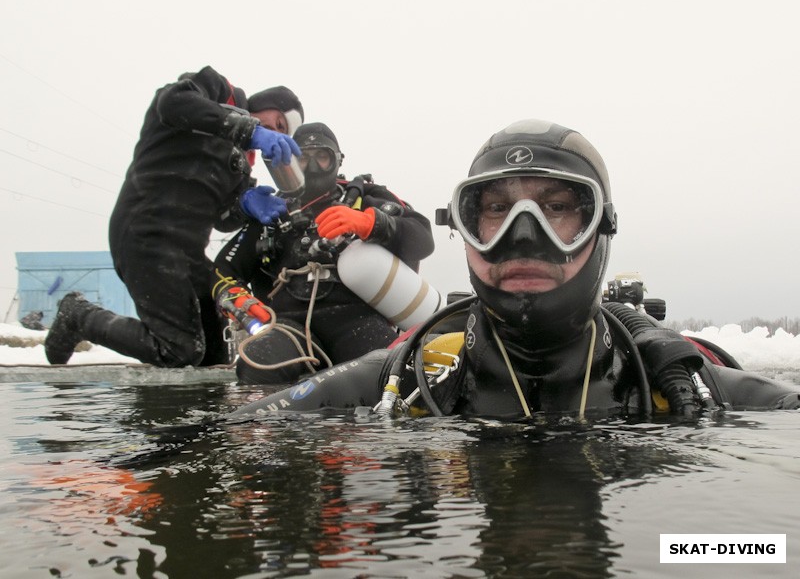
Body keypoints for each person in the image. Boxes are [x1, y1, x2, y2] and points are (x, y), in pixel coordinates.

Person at [229, 118, 800, 419]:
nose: (523, 240)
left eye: (557, 209)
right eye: (496, 211)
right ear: (467, 228)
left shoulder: (670, 380)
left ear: (602, 225)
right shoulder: (408, 376)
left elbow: (757, 548)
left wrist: (713, 550)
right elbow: (241, 432)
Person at [45, 66, 304, 368]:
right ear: (268, 105)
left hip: (187, 249)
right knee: (179, 350)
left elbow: (223, 219)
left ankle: (205, 408)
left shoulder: (241, 161)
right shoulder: (216, 91)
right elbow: (171, 103)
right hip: (146, 231)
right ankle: (78, 315)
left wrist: (245, 204)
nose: (274, 131)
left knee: (211, 353)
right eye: (278, 123)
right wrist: (248, 129)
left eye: (282, 132)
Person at [212, 121, 436, 383]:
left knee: (390, 372)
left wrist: (370, 223)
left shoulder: (362, 200)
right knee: (257, 363)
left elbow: (423, 238)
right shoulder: (272, 212)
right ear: (290, 163)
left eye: (323, 157)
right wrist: (238, 300)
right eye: (303, 159)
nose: (314, 166)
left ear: (338, 161)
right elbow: (223, 270)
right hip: (289, 327)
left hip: (356, 320)